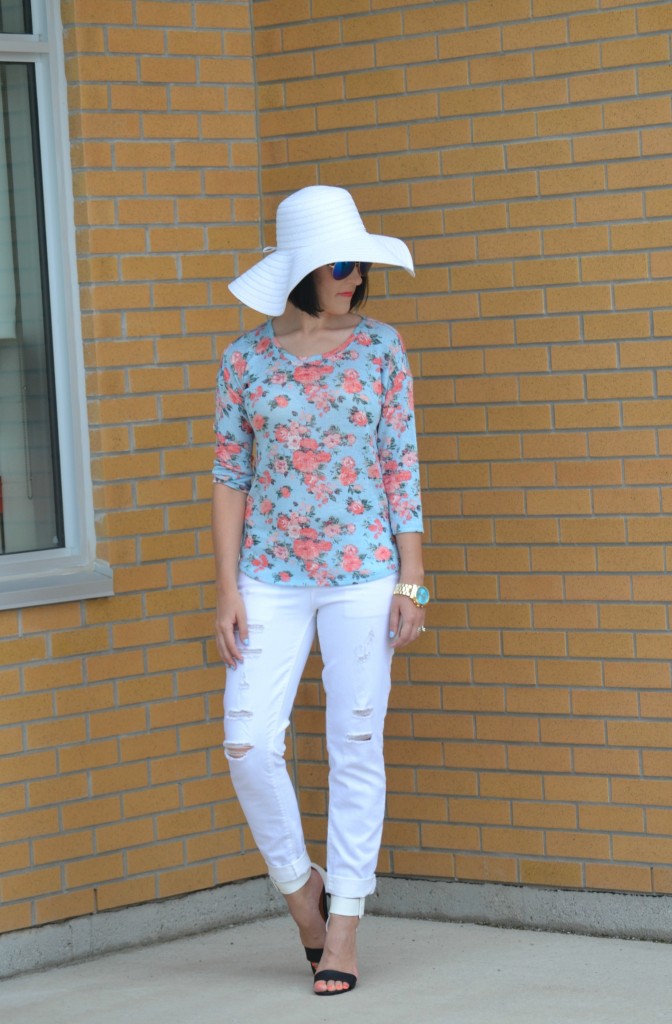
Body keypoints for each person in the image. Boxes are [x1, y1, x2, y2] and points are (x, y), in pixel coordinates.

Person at [212, 185, 428, 996]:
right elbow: (230, 479)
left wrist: (415, 581)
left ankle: (344, 928)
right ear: (301, 271)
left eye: (361, 265)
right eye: (342, 264)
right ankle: (303, 893)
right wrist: (225, 589)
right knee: (248, 744)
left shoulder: (381, 348)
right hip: (267, 581)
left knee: (355, 746)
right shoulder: (243, 361)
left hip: (364, 579)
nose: (356, 278)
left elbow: (400, 465)